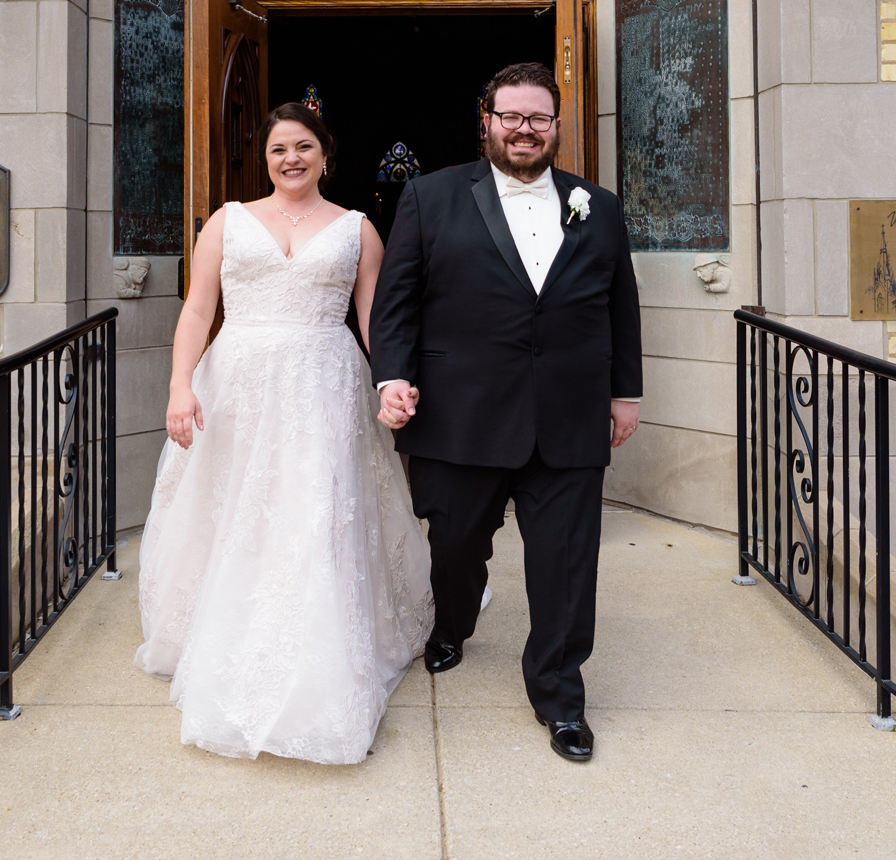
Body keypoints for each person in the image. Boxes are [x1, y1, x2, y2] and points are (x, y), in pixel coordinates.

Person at [135, 102, 434, 764]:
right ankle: (220, 630)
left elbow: (374, 321)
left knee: (313, 510)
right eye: (278, 149)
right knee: (237, 503)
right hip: (236, 383)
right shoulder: (227, 221)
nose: (290, 158)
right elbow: (198, 307)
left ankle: (318, 649)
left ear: (326, 153)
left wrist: (393, 382)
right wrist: (180, 384)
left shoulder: (358, 229)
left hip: (324, 387)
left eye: (303, 146)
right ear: (264, 158)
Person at [369, 60, 642, 763]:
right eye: (511, 116)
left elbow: (621, 307)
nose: (525, 129)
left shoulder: (598, 206)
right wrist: (391, 377)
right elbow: (395, 303)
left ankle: (560, 698)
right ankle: (453, 621)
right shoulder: (430, 198)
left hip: (569, 417)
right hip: (462, 416)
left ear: (556, 126)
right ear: (485, 121)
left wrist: (625, 391)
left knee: (566, 564)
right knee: (455, 543)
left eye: (539, 118)